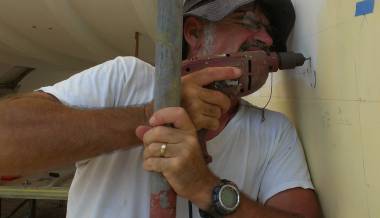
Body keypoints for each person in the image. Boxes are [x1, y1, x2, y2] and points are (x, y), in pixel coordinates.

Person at [0, 0, 321, 217]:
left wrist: (207, 188)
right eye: (250, 21)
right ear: (194, 32)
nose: (266, 38)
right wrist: (149, 117)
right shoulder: (125, 79)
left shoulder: (273, 131)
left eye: (272, 34)